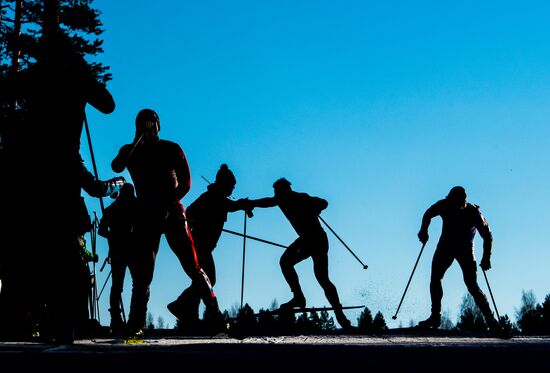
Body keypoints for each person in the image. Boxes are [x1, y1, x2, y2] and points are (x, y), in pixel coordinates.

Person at [0, 29, 115, 343]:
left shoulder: (37, 75)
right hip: (61, 166)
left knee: (36, 242)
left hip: (34, 168)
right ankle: (62, 319)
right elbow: (108, 104)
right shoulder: (75, 77)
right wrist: (83, 72)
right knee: (64, 247)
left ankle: (34, 313)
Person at [111, 108, 221, 337]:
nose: (148, 128)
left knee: (191, 264)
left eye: (151, 124)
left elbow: (186, 184)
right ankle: (136, 322)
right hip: (146, 214)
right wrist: (135, 142)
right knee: (143, 271)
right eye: (143, 124)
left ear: (158, 126)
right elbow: (117, 166)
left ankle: (214, 311)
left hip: (172, 211)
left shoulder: (171, 148)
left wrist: (168, 203)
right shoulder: (131, 151)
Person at [247, 178, 353, 330]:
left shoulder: (300, 197)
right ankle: (336, 313)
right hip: (313, 240)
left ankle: (300, 299)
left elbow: (324, 202)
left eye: (278, 191)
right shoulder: (282, 200)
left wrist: (316, 207)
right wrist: (252, 203)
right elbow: (267, 202)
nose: (276, 195)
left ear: (286, 190)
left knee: (294, 266)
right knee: (320, 277)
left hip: (314, 239)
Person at [167, 164, 252, 332]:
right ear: (224, 184)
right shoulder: (212, 197)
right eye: (231, 186)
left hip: (205, 247)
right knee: (208, 279)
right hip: (200, 247)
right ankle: (183, 306)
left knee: (202, 280)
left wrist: (242, 204)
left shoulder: (216, 198)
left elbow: (230, 205)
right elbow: (190, 212)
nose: (232, 189)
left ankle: (188, 312)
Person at [416, 186, 502, 333]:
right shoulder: (444, 205)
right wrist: (423, 230)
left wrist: (486, 257)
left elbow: (487, 235)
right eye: (452, 203)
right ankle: (435, 316)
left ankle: (491, 320)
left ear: (463, 202)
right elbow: (428, 214)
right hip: (445, 247)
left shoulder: (474, 213)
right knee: (436, 278)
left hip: (466, 251)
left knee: (472, 285)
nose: (455, 207)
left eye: (458, 205)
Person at [98, 183, 138, 336]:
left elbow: (102, 230)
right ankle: (122, 319)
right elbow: (102, 230)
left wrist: (114, 237)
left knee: (119, 286)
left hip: (122, 250)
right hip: (126, 250)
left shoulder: (113, 209)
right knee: (128, 284)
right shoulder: (135, 206)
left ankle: (120, 319)